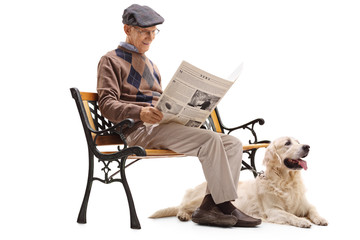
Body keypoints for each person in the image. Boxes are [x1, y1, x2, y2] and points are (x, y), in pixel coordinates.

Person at [97, 4, 261, 228]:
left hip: (161, 127)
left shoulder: (151, 65)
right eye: (145, 31)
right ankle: (224, 206)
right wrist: (140, 112)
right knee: (210, 139)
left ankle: (209, 206)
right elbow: (106, 104)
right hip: (137, 131)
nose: (150, 37)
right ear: (127, 29)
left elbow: (159, 102)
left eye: (154, 31)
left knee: (232, 143)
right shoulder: (111, 60)